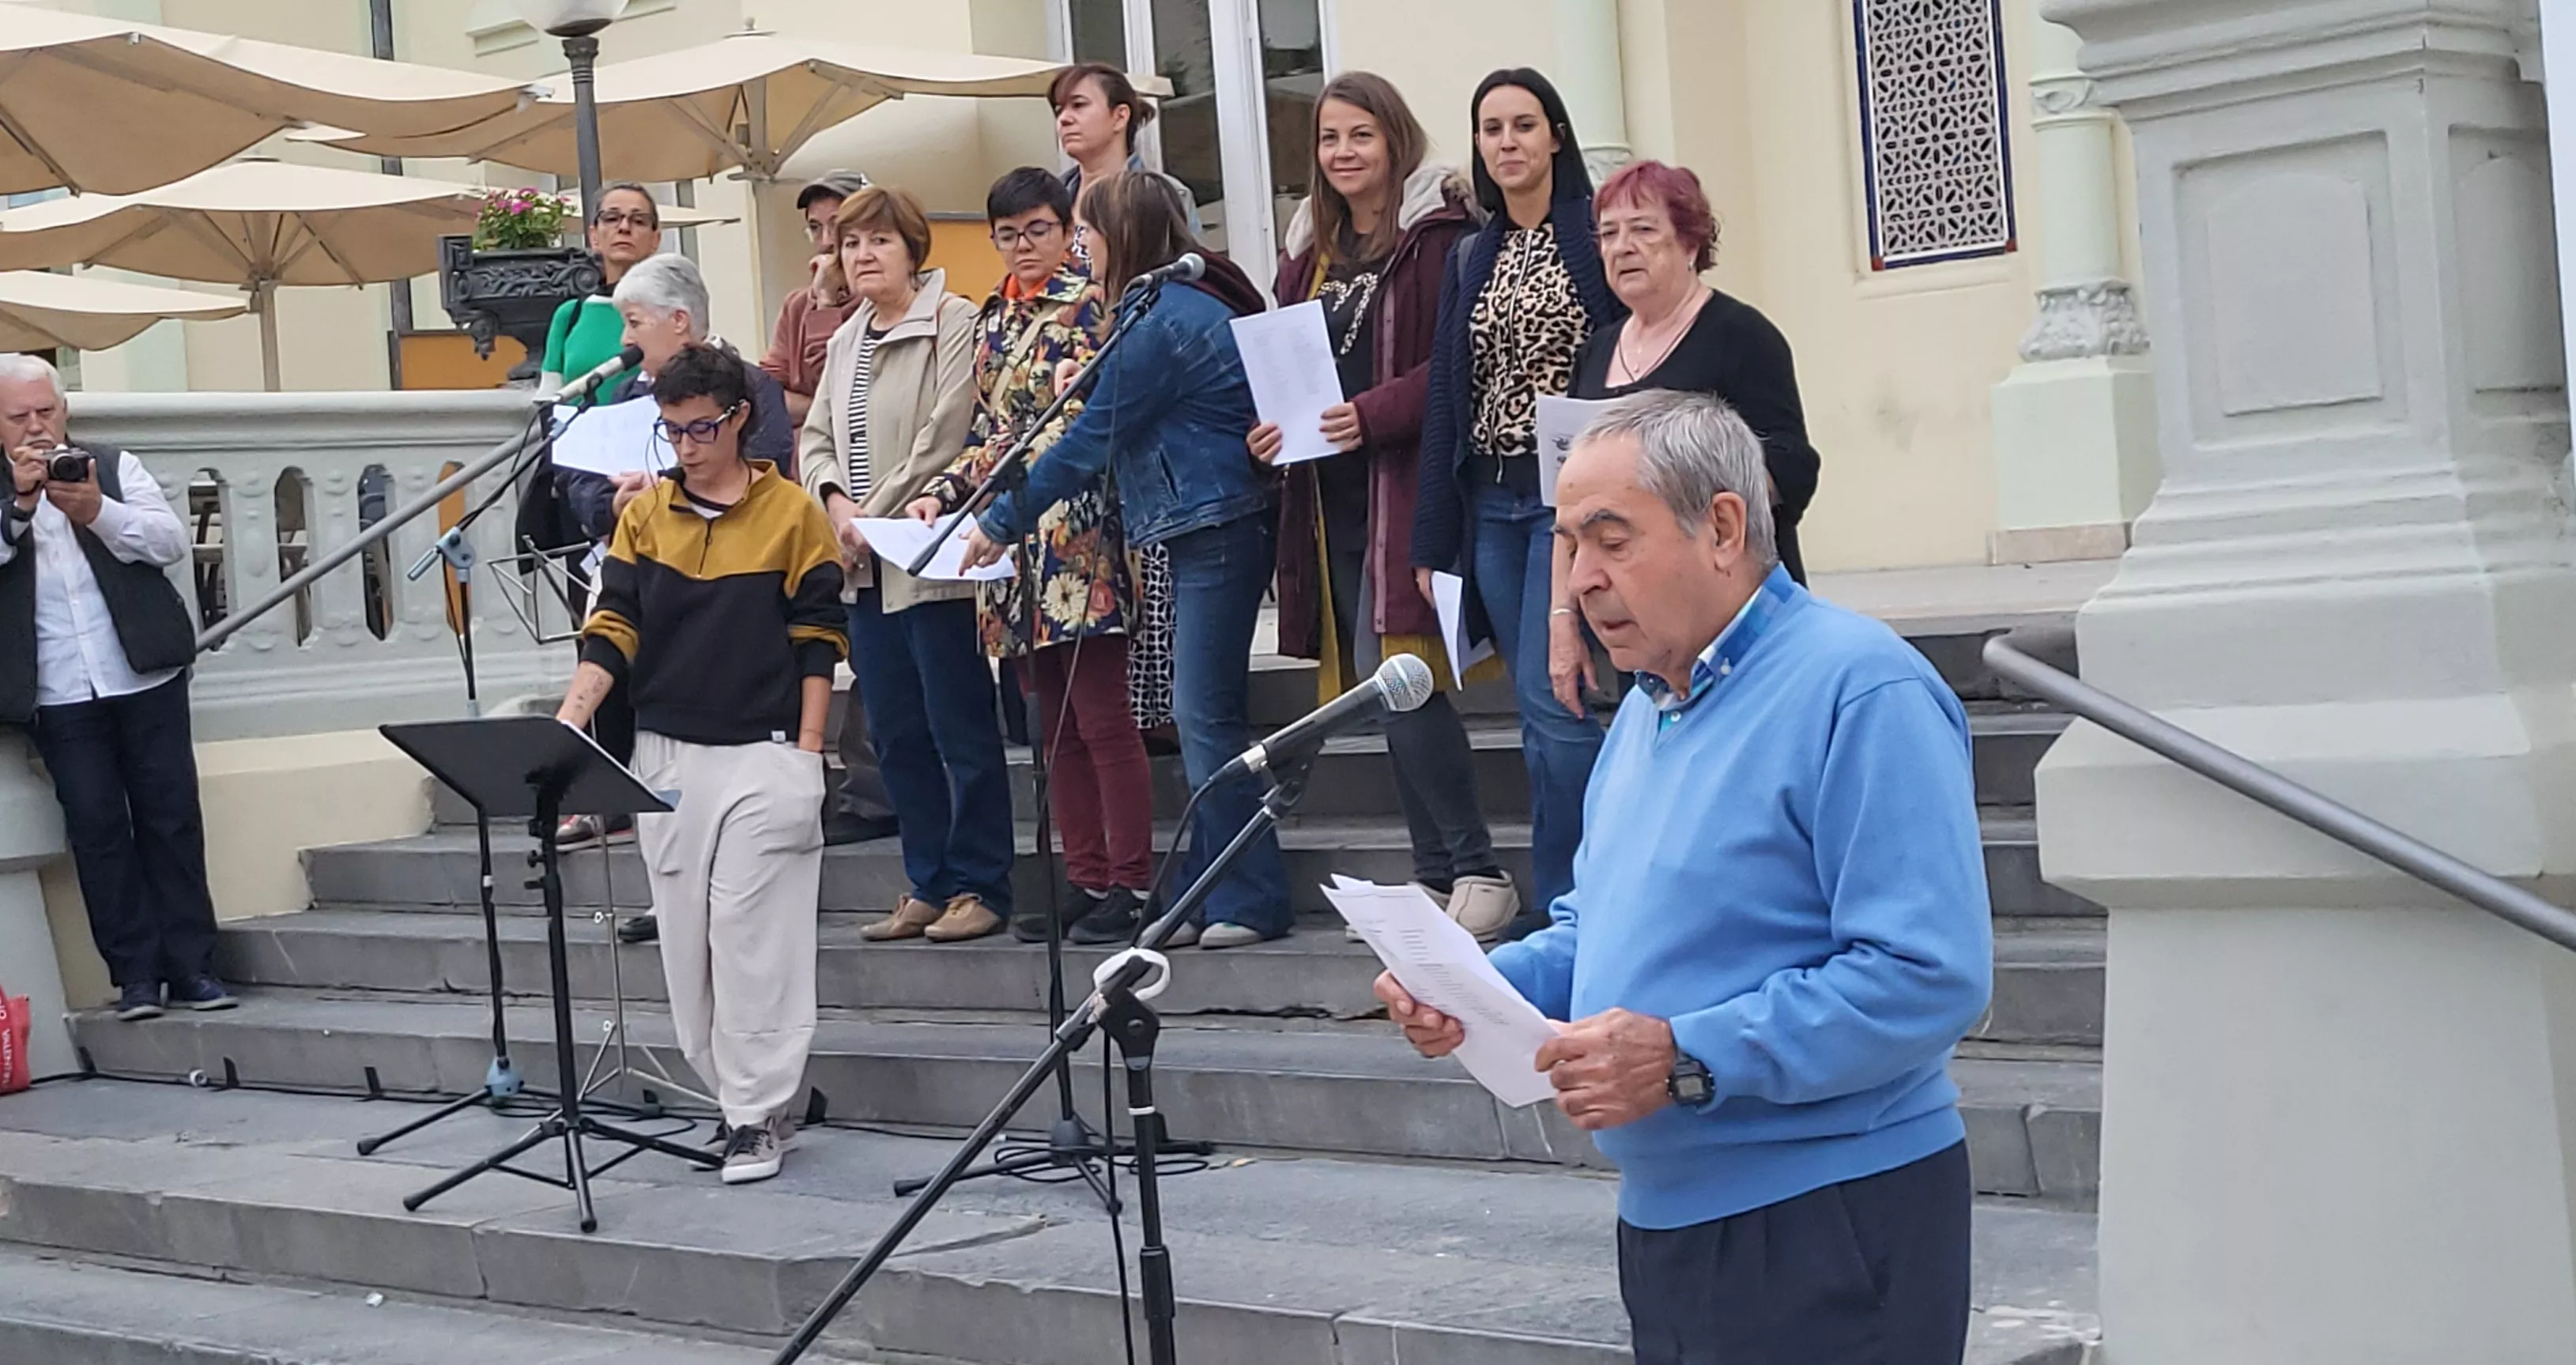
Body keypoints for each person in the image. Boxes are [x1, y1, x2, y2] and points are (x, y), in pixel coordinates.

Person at [1379, 392, 1991, 1364]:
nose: (1580, 579)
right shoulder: (1652, 703)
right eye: (1569, 543)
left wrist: (1685, 1054)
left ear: (1722, 525)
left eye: (1610, 539)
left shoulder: (1858, 686)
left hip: (1826, 1211)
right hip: (1668, 1221)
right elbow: (1602, 922)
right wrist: (1469, 980)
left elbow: (1925, 973)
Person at [964, 172, 1290, 948]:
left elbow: (1086, 442)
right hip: (1197, 521)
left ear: (1125, 234)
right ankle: (1202, 890)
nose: (1079, 244)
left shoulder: (1160, 322)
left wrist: (1003, 520)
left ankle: (1250, 895)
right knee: (1197, 713)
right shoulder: (1147, 311)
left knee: (1202, 716)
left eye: (1087, 229)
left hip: (1216, 520)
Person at [557, 344, 845, 1186]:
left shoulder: (793, 513)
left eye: (702, 428)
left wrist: (809, 750)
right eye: (672, 430)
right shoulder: (644, 517)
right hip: (667, 753)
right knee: (688, 946)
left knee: (750, 936)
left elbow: (820, 637)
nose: (685, 445)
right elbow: (613, 622)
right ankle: (747, 1096)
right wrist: (572, 718)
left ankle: (755, 1112)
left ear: (741, 418)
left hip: (764, 749)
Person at [1250, 74, 1517, 942]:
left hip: (1408, 487)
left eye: (1359, 135)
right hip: (1330, 502)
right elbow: (1291, 369)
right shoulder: (1308, 258)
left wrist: (1366, 415)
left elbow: (1454, 366)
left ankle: (1476, 867)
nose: (1343, 153)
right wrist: (1272, 430)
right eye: (1329, 140)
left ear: (1394, 139)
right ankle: (1436, 871)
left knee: (1404, 677)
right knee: (1380, 688)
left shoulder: (1439, 239)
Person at [905, 168, 1151, 947]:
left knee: (1102, 715)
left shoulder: (1090, 305)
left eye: (1038, 230)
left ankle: (1133, 879)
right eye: (1008, 234)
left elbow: (1081, 421)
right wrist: (942, 495)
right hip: (1005, 544)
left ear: (1066, 231)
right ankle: (1084, 874)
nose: (1023, 246)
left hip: (1074, 529)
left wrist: (1003, 487)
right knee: (1050, 726)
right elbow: (988, 432)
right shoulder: (993, 319)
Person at [1411, 69, 1625, 940]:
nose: (1506, 142)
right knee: (1532, 709)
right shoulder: (1474, 251)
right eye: (1491, 128)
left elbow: (1626, 356)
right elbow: (1445, 402)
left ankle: (1580, 898)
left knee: (1556, 692)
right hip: (1490, 499)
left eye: (1523, 125)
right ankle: (1576, 889)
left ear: (1556, 137)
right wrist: (1431, 538)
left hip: (1567, 501)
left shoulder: (1591, 233)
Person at [799, 185, 1014, 945]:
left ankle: (983, 882)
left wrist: (873, 516)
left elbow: (945, 435)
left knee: (958, 723)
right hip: (862, 563)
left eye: (879, 242)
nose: (861, 255)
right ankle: (928, 880)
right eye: (851, 243)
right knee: (895, 731)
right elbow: (816, 433)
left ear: (912, 250)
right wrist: (833, 503)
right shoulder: (848, 335)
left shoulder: (952, 323)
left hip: (926, 557)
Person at [553, 252, 796, 909]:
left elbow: (769, 464)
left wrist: (666, 489)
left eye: (635, 322)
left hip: (723, 600)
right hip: (641, 592)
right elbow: (575, 476)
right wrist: (613, 508)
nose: (625, 341)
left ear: (680, 321)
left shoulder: (749, 385)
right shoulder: (630, 396)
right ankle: (663, 888)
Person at [0, 355, 232, 1023]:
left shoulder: (111, 465)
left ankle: (195, 967)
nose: (37, 427)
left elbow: (166, 543)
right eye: (20, 417)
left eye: (46, 412)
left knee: (172, 818)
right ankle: (134, 976)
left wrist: (96, 510)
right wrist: (20, 505)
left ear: (64, 412)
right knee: (98, 830)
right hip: (58, 690)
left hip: (143, 674)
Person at [1571, 159, 1819, 584]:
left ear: (1689, 244)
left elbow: (1792, 467)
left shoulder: (1743, 336)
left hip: (1724, 591)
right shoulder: (1595, 352)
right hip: (1619, 602)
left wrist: (1682, 504)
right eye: (1609, 233)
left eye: (1643, 229)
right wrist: (1562, 614)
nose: (1623, 246)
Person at [756, 169, 900, 850]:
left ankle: (876, 792)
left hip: (883, 496)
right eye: (816, 230)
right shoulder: (799, 306)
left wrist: (828, 404)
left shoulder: (875, 306)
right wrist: (830, 409)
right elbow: (772, 394)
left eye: (840, 229)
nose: (827, 244)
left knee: (876, 655)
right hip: (816, 492)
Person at [1052, 60, 1182, 750]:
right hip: (1073, 404)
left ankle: (1159, 708)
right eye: (1059, 110)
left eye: (1078, 106)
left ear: (1121, 115)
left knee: (1149, 563)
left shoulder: (1158, 193)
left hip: (1138, 393)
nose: (1065, 119)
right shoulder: (1057, 197)